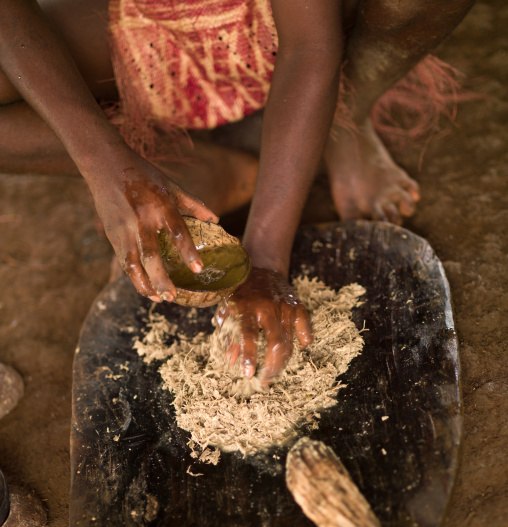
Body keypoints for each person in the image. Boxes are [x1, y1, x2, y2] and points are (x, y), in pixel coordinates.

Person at [0, 0, 475, 381]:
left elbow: (310, 48)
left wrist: (266, 260)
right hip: (136, 19)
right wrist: (104, 163)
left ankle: (345, 115)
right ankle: (182, 164)